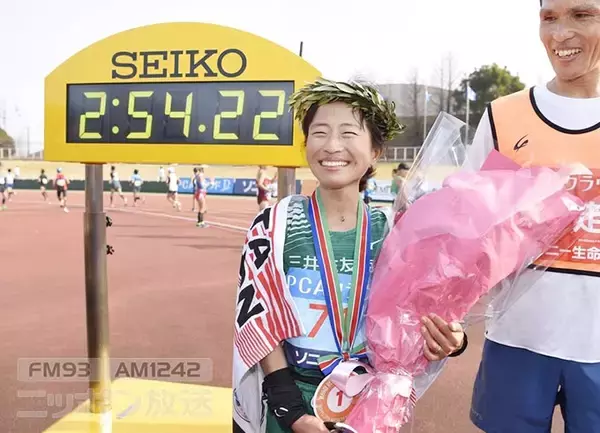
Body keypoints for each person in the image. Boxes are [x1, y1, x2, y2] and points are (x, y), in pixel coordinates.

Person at [232, 78, 468, 433]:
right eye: (320, 133)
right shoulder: (274, 225)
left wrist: (452, 338)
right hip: (290, 407)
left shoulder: (395, 231)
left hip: (372, 406)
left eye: (348, 133)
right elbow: (259, 318)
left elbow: (425, 315)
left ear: (376, 151)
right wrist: (291, 410)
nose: (332, 146)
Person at [467, 1, 600, 431]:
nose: (560, 34)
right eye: (549, 18)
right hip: (517, 341)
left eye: (582, 15)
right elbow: (467, 228)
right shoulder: (503, 116)